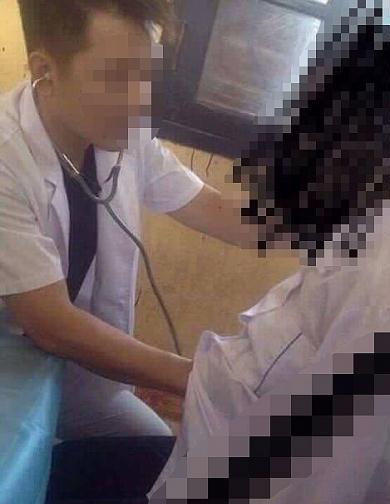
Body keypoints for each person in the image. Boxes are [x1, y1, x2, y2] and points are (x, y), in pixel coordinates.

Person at [25, 5, 390, 504]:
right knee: (43, 490)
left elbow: (319, 497)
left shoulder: (384, 286)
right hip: (216, 480)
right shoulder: (347, 242)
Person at [0, 0, 252, 441]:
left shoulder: (123, 137)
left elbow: (220, 212)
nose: (139, 101)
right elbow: (51, 324)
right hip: (10, 380)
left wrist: (334, 216)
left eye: (146, 76)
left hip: (78, 384)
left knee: (161, 455)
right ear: (45, 70)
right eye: (117, 77)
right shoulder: (7, 157)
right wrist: (203, 377)